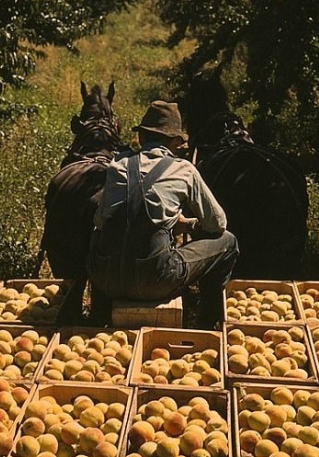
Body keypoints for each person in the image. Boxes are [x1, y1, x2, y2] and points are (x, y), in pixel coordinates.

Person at [86, 100, 239, 327]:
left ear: (141, 137)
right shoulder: (184, 169)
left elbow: (100, 221)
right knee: (228, 241)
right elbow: (217, 223)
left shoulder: (117, 165)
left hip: (105, 279)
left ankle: (97, 316)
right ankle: (207, 323)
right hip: (155, 282)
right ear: (176, 141)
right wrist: (189, 225)